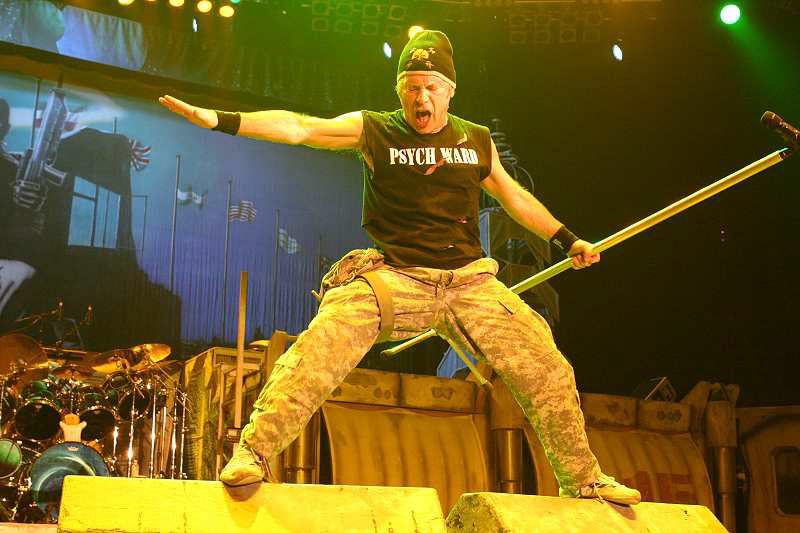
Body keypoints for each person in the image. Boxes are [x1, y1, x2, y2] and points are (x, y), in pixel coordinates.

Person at [160, 30, 641, 505]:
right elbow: (300, 127)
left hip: (468, 281)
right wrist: (221, 120)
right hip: (396, 276)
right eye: (411, 87)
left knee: (547, 364)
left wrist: (566, 239)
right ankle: (254, 452)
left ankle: (583, 480)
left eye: (430, 87)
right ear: (400, 91)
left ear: (450, 91)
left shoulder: (476, 140)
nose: (420, 98)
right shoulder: (375, 129)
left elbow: (514, 197)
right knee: (321, 344)